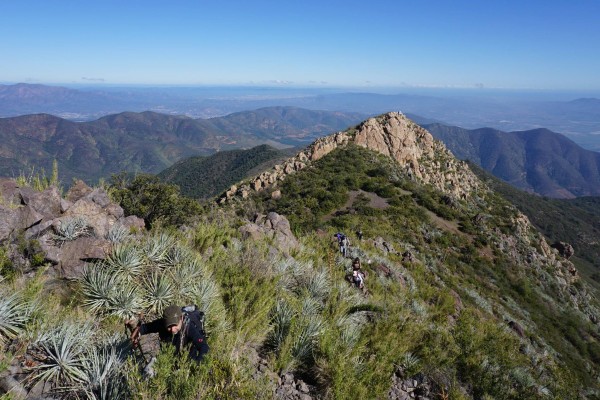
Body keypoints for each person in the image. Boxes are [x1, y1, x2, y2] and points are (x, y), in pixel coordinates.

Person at [129, 305, 209, 363]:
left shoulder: (189, 328)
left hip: (188, 356)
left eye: (175, 325)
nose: (172, 330)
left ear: (181, 319)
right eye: (169, 327)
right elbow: (146, 328)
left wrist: (198, 363)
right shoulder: (162, 323)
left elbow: (203, 346)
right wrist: (137, 334)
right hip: (170, 355)